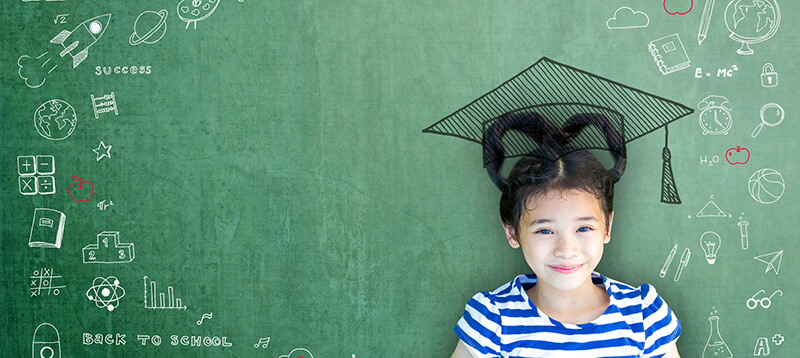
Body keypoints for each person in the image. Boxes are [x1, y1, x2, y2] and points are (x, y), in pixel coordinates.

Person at [450, 112, 681, 358]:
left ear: (607, 227)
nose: (566, 249)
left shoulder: (644, 315)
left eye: (583, 228)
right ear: (512, 232)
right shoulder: (492, 321)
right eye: (545, 231)